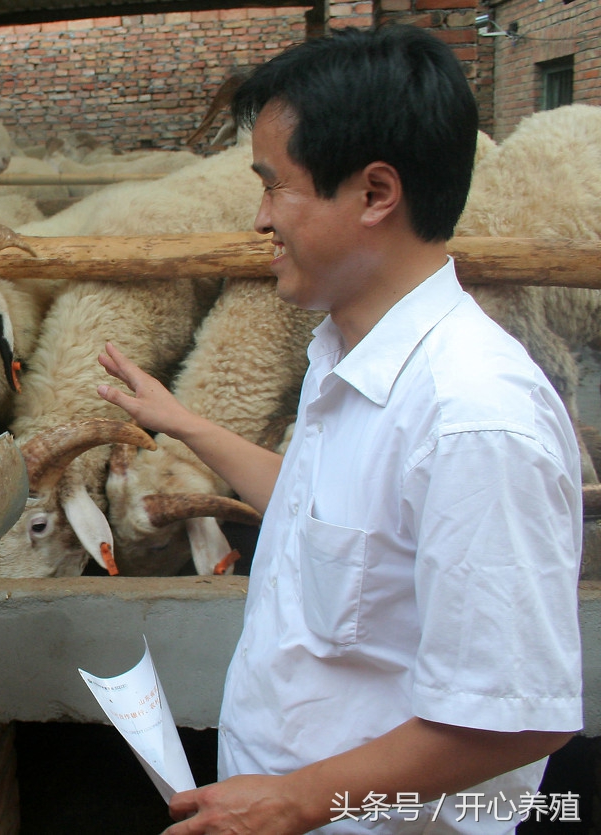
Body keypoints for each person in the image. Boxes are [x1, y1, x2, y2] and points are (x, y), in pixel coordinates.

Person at [97, 26, 583, 835]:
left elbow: (520, 713)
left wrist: (297, 799)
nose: (258, 219)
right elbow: (330, 518)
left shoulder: (474, 418)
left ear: (375, 193)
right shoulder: (344, 354)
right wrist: (185, 425)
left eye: (273, 185)